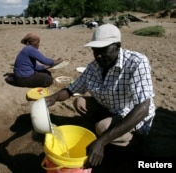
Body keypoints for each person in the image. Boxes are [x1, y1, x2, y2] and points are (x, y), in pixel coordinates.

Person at [45, 24, 156, 168]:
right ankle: (105, 131)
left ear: (117, 46)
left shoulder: (136, 62)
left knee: (102, 128)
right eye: (95, 50)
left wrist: (101, 141)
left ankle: (130, 140)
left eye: (103, 50)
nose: (98, 55)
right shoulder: (94, 67)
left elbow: (143, 108)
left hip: (132, 114)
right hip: (111, 107)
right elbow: (71, 90)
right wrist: (50, 99)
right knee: (80, 102)